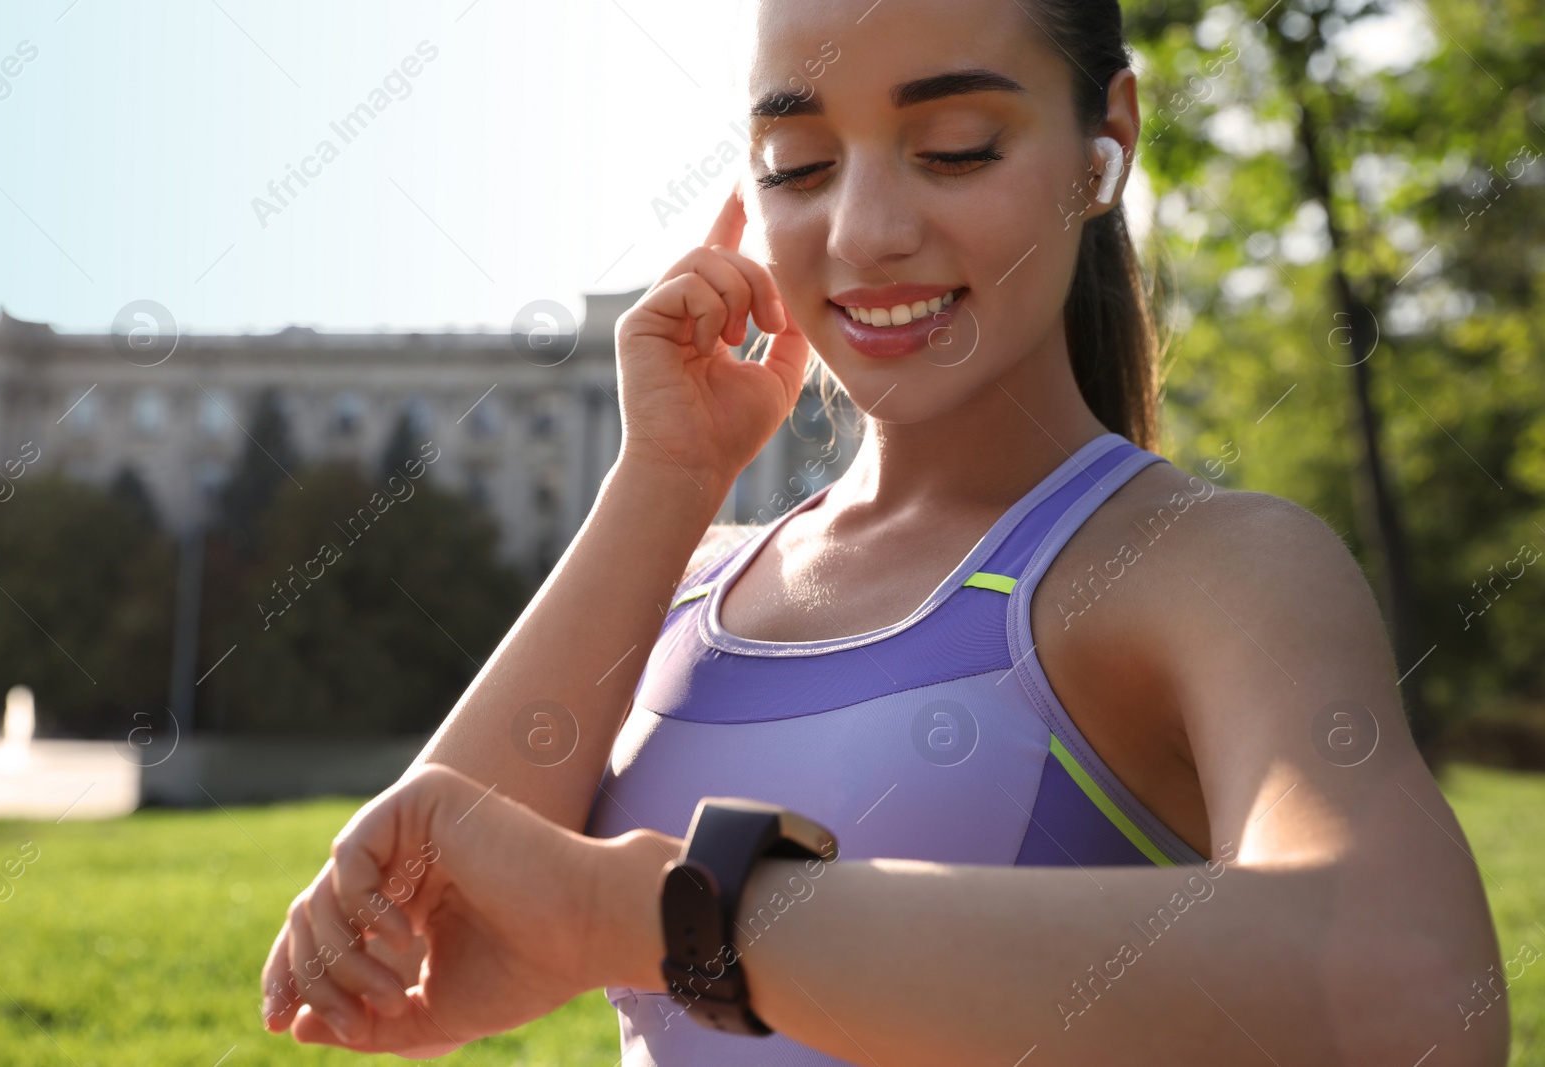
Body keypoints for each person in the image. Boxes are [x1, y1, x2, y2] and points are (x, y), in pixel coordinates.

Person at [258, 0, 1509, 1063]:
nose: (861, 233)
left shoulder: (1206, 564)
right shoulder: (692, 575)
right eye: (796, 164)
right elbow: (426, 926)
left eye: (956, 147)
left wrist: (654, 915)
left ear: (1101, 145)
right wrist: (667, 476)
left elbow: (1409, 988)